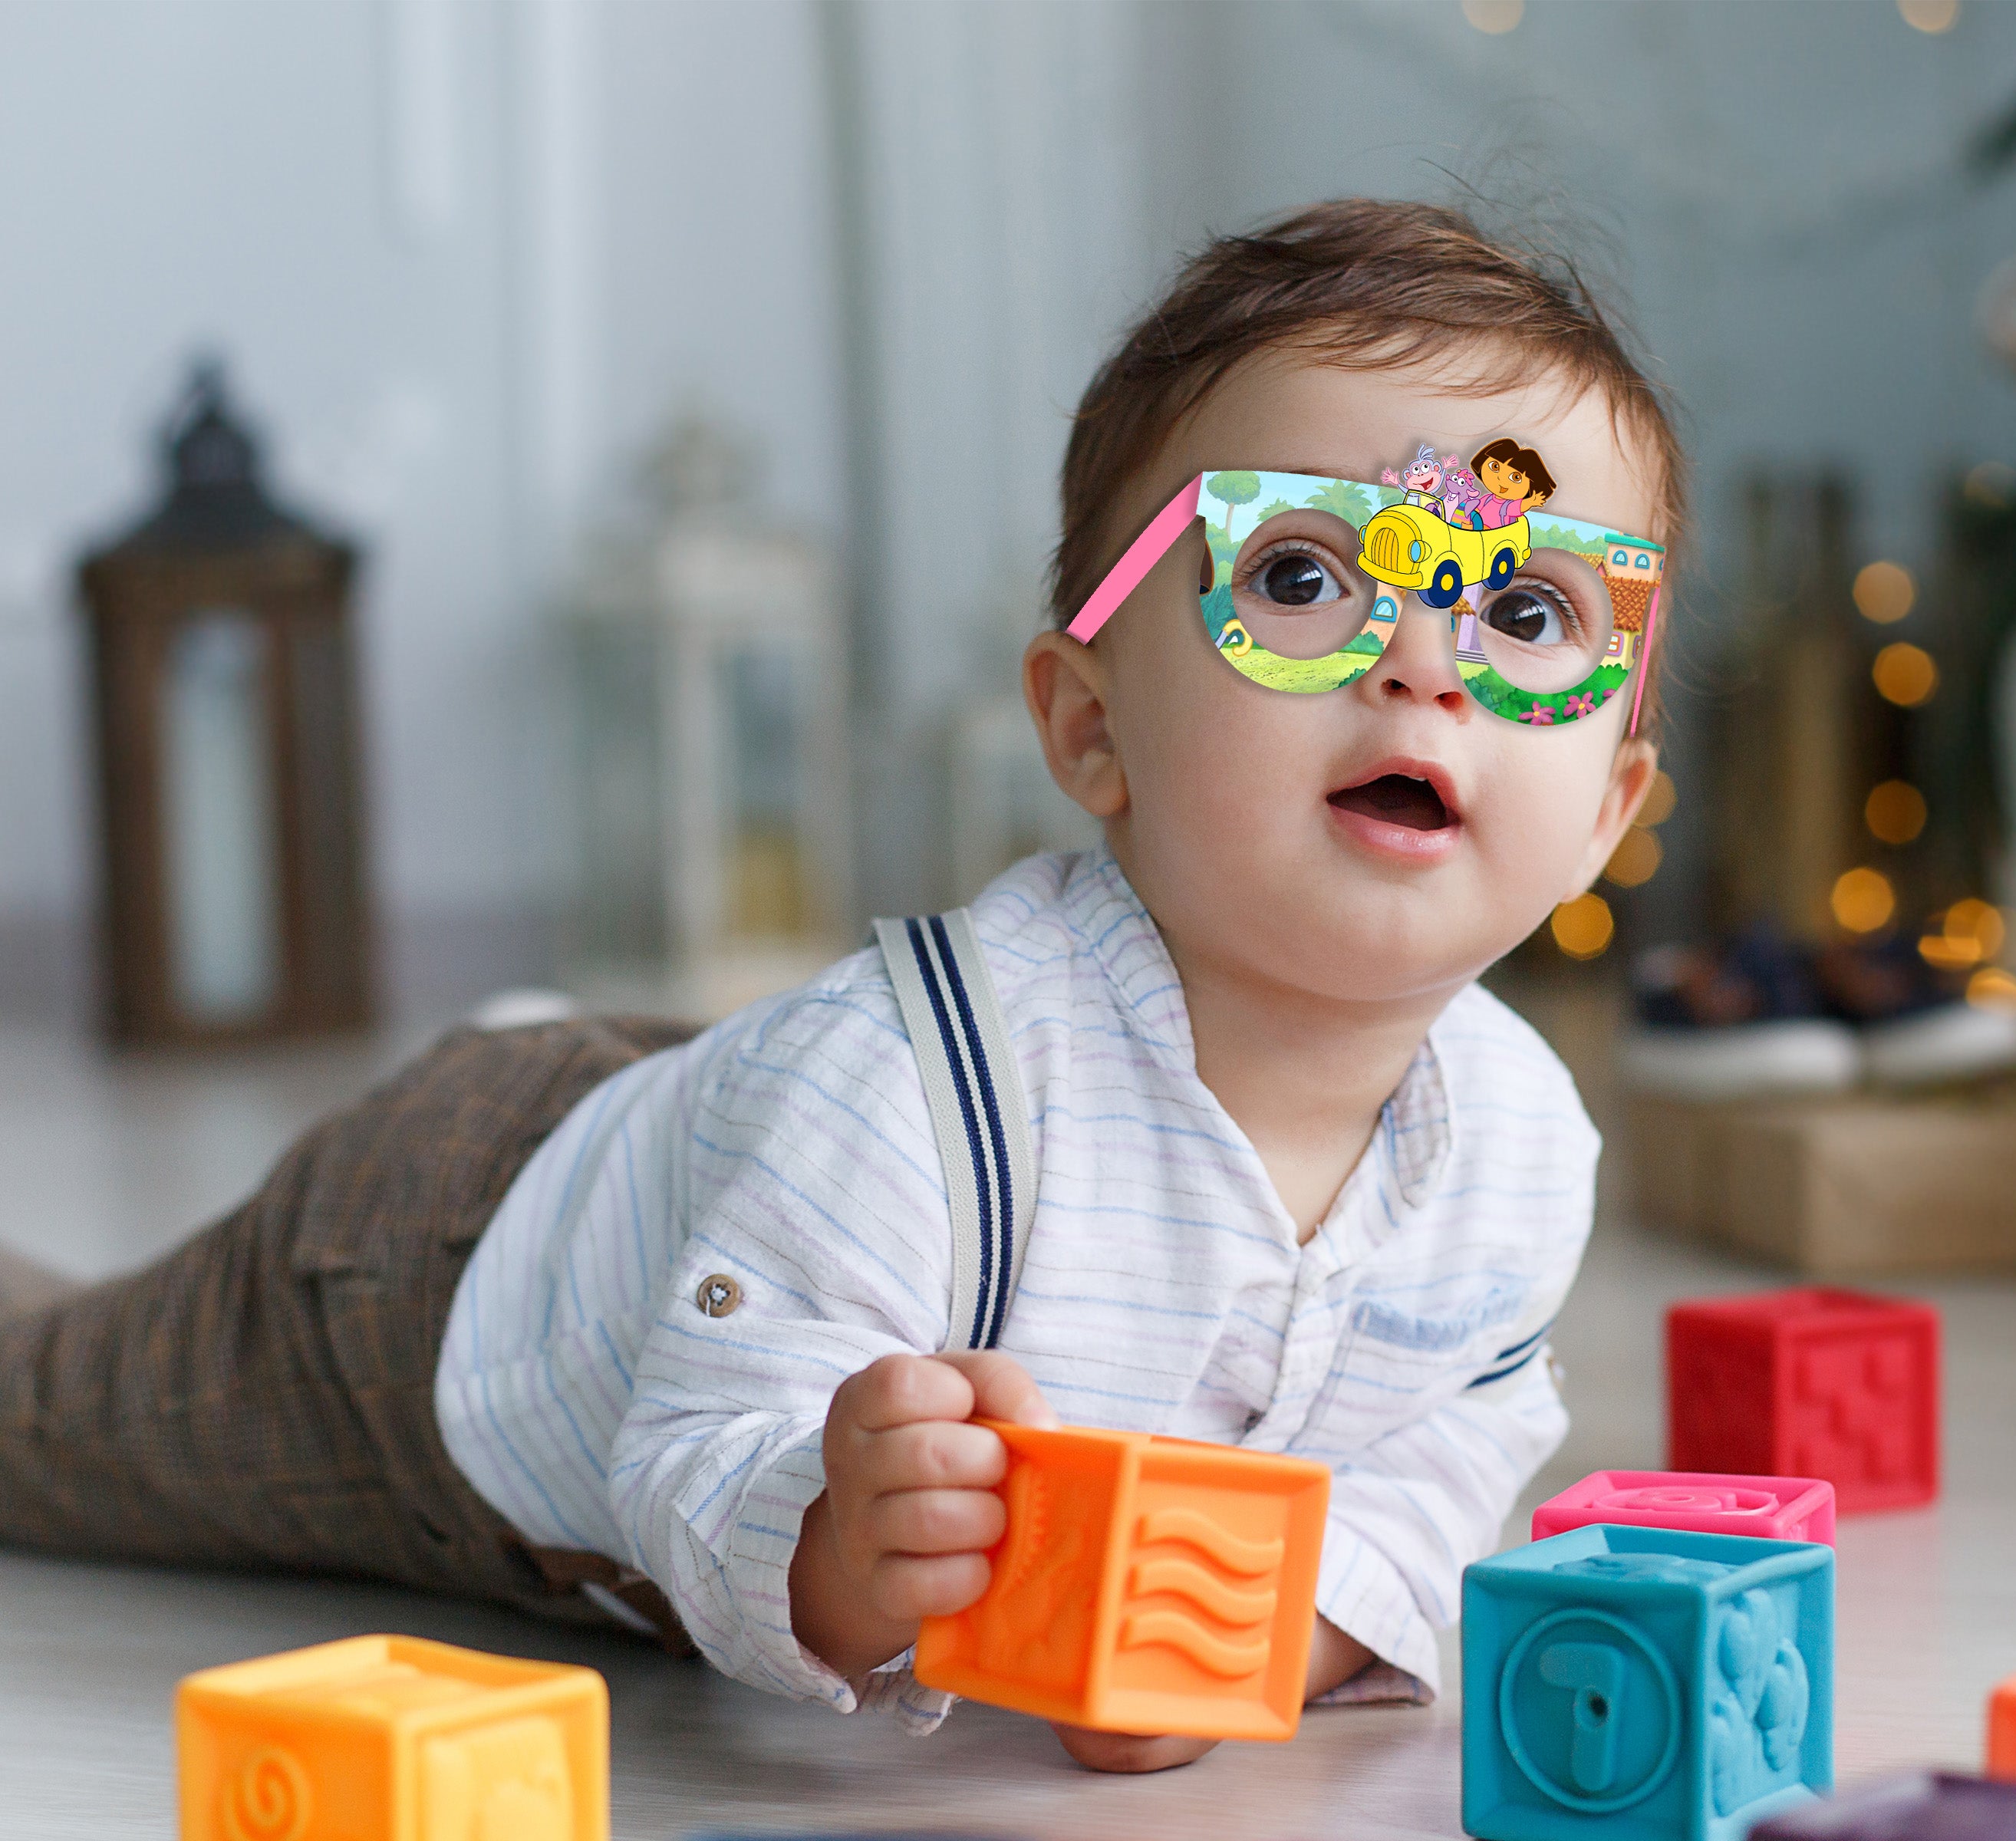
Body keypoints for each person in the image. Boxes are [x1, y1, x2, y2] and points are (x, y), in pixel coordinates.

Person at [0, 197, 1680, 1776]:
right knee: (51, 1411)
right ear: (1091, 728)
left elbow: (1450, 1443)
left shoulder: (1520, 1146)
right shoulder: (929, 1083)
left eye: (1531, 607)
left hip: (736, 1152)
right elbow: (698, 1437)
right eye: (1301, 580)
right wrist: (829, 1542)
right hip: (433, 1290)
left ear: (1609, 807)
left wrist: (1275, 1637)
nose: (1423, 661)